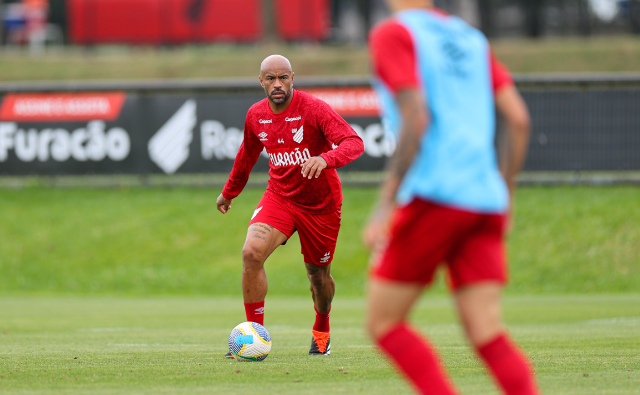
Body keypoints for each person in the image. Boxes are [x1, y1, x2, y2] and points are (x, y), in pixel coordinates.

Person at [363, 1, 539, 394]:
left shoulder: (394, 33)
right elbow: (519, 119)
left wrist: (385, 203)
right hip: (485, 201)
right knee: (487, 331)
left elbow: (416, 115)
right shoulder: (471, 38)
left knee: (384, 323)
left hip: (435, 195)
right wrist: (504, 193)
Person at [217, 55, 364, 357]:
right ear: (261, 82)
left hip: (320, 206)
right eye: (270, 79)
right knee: (251, 253)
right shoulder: (256, 115)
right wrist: (229, 193)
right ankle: (252, 337)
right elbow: (246, 155)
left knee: (318, 279)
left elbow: (353, 142)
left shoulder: (314, 109)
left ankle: (322, 326)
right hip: (280, 198)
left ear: (293, 78)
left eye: (283, 78)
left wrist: (325, 159)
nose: (277, 84)